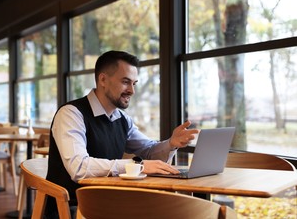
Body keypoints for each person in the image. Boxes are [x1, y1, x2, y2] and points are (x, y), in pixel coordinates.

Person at [45, 50, 199, 218]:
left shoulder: (122, 119)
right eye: (126, 82)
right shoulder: (71, 114)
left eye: (134, 83)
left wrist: (171, 144)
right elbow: (79, 168)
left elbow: (148, 150)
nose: (132, 90)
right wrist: (136, 167)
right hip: (72, 208)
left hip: (112, 203)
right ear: (103, 79)